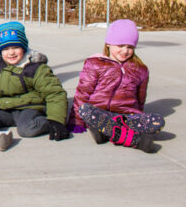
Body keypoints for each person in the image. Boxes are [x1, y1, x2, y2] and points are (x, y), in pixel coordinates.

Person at [0, 22, 68, 151]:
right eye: (5, 49)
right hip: (4, 109)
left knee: (26, 130)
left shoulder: (35, 68)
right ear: (0, 51)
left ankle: (45, 121)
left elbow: (54, 93)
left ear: (23, 47)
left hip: (28, 108)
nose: (11, 53)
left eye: (15, 47)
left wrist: (56, 119)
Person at [67, 19, 164, 153]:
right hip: (99, 113)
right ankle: (135, 140)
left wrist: (138, 115)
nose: (125, 51)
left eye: (130, 47)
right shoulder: (95, 63)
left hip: (125, 116)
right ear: (108, 44)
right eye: (120, 45)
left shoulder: (140, 69)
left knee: (157, 121)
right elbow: (82, 94)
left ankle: (107, 131)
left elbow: (140, 98)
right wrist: (76, 121)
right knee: (85, 110)